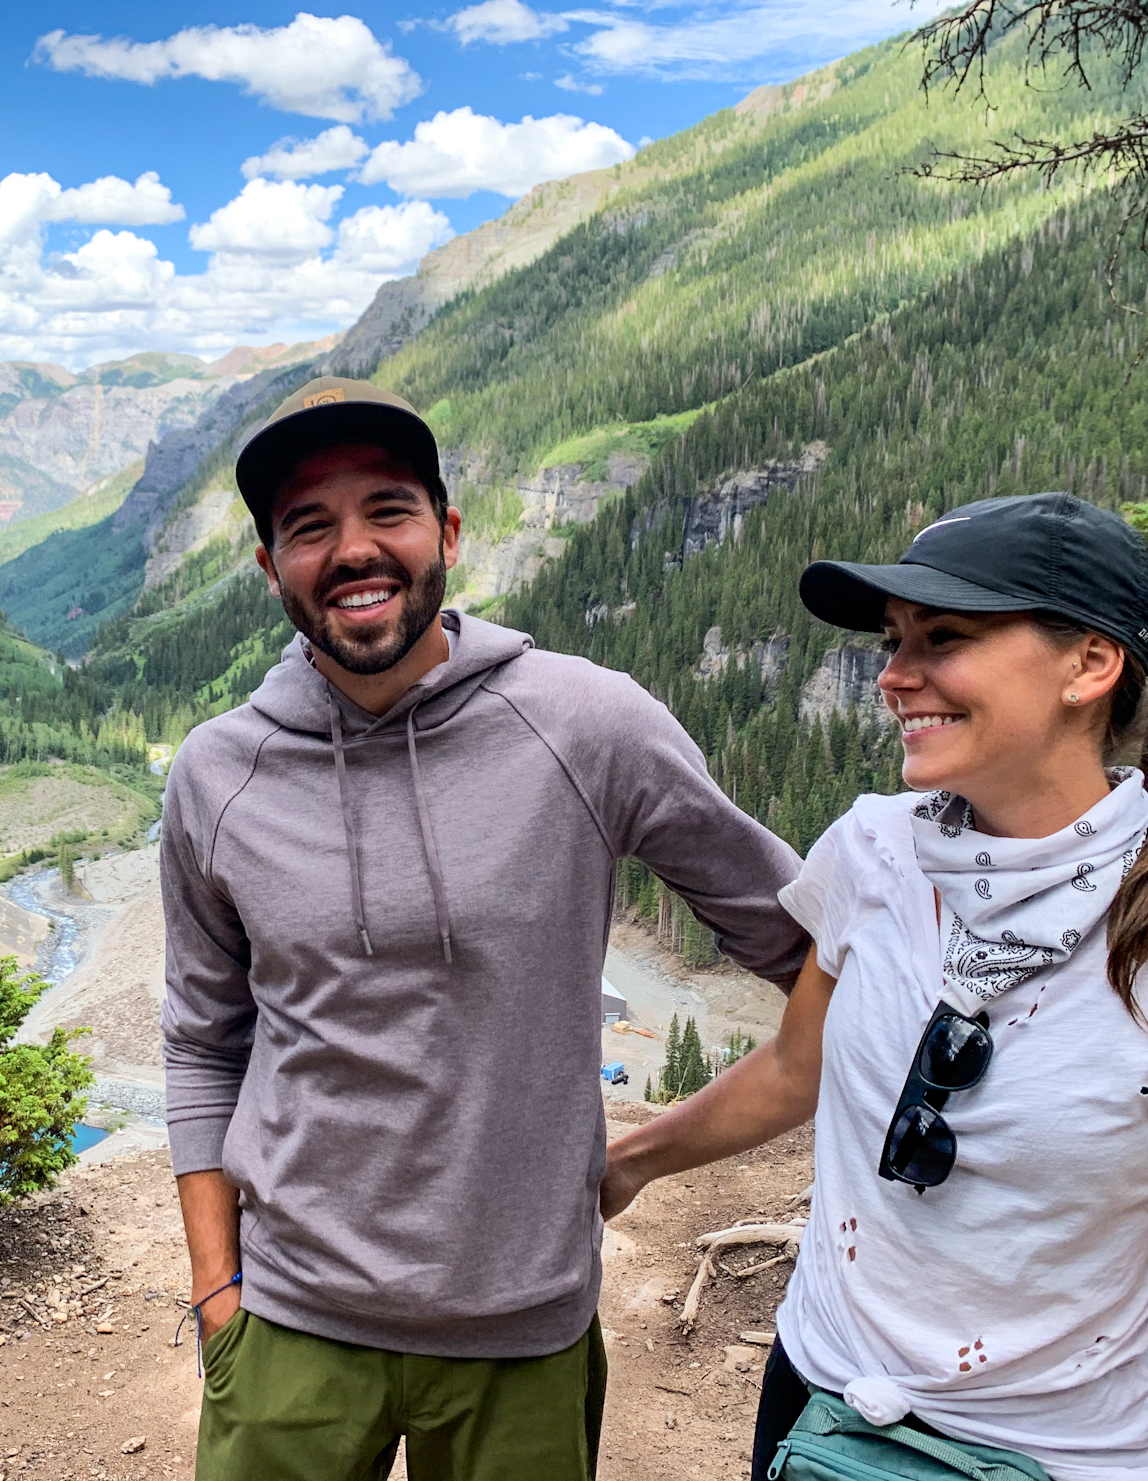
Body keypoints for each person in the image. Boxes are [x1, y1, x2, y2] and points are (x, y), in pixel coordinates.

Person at [601, 492, 1148, 1481]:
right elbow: (793, 1067)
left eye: (940, 638)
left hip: (1067, 1456)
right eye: (892, 641)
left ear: (1088, 663)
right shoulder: (870, 850)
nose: (891, 677)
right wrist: (627, 1164)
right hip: (820, 1398)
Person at [159, 376, 810, 1481]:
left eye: (387, 511)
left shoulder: (586, 724)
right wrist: (218, 1289)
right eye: (308, 527)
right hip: (289, 1328)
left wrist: (646, 1149)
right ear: (269, 568)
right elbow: (200, 1040)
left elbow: (802, 944)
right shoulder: (216, 773)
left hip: (522, 1332)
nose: (353, 549)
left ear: (447, 534)